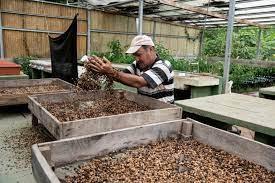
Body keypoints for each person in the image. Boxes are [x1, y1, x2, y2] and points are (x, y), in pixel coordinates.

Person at [88, 35, 174, 104]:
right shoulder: (137, 65)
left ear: (150, 49)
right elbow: (120, 76)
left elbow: (139, 82)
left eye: (139, 54)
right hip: (145, 108)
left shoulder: (164, 66)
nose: (136, 59)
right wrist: (101, 66)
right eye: (134, 55)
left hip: (164, 111)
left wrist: (111, 71)